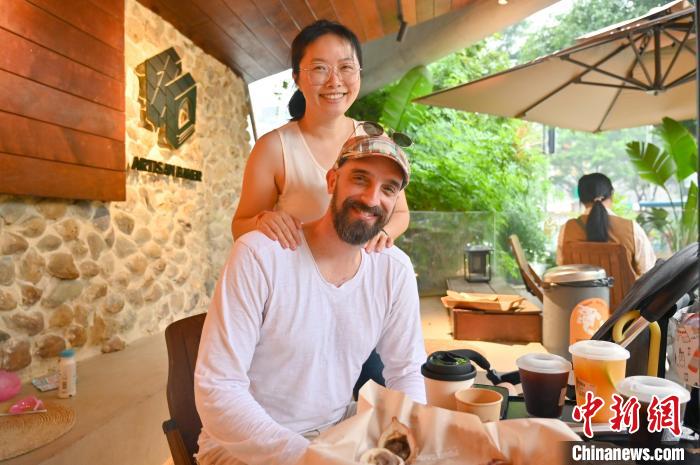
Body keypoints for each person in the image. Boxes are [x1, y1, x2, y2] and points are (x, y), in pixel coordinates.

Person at [195, 134, 427, 465]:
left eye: (388, 189)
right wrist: (310, 458)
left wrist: (405, 439)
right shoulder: (260, 255)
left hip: (336, 430)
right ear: (332, 180)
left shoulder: (394, 270)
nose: (372, 198)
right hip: (243, 446)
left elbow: (407, 370)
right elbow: (218, 388)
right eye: (360, 179)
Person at [231, 19, 410, 254]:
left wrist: (384, 233)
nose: (334, 81)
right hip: (295, 273)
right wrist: (261, 221)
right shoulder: (274, 148)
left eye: (346, 67)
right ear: (296, 78)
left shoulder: (373, 139)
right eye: (319, 68)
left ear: (359, 73)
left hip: (358, 271)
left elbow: (400, 213)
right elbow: (240, 226)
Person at [556, 172, 656, 276]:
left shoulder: (567, 229)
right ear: (611, 195)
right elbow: (648, 270)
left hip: (578, 287)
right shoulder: (631, 228)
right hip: (626, 287)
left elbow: (561, 265)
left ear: (581, 199)